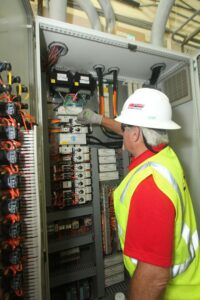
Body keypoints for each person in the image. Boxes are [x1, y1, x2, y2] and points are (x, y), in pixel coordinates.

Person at [77, 88, 200, 300]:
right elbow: (136, 130)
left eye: (126, 129)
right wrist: (98, 119)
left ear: (135, 134)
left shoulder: (149, 186)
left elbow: (154, 277)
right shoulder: (165, 154)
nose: (122, 132)